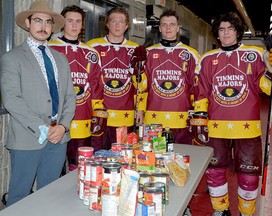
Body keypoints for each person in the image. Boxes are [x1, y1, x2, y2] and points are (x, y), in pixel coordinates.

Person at [193, 12, 272, 216]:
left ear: (238, 31)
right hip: (216, 128)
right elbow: (202, 92)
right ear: (217, 33)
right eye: (222, 29)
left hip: (247, 128)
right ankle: (221, 211)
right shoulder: (207, 58)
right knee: (214, 172)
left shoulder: (254, 54)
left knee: (249, 176)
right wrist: (199, 117)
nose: (225, 33)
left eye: (230, 29)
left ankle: (246, 212)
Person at [0, 1, 76, 206]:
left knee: (50, 193)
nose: (43, 26)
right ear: (28, 23)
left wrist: (63, 126)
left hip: (58, 138)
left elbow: (70, 97)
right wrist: (42, 128)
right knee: (19, 196)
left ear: (52, 26)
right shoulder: (12, 58)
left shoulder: (61, 60)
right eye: (38, 20)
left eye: (48, 22)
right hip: (27, 137)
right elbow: (11, 99)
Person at [49, 5, 105, 171]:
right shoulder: (50, 48)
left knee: (79, 166)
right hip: (56, 119)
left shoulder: (91, 52)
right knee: (54, 166)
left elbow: (96, 85)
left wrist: (98, 114)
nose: (74, 25)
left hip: (83, 118)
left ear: (82, 25)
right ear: (62, 23)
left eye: (78, 21)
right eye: (70, 20)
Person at [137, 9, 199, 144]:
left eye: (172, 24)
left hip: (182, 120)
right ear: (159, 28)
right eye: (164, 25)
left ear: (178, 28)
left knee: (181, 161)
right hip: (154, 120)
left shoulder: (191, 54)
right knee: (154, 160)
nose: (168, 28)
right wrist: (140, 110)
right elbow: (143, 86)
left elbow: (196, 87)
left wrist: (198, 113)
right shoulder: (148, 53)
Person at [87, 7, 143, 149]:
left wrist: (141, 108)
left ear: (127, 25)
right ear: (107, 24)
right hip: (99, 114)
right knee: (97, 158)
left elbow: (141, 82)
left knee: (122, 157)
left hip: (125, 115)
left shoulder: (136, 49)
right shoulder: (92, 46)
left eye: (121, 22)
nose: (117, 25)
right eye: (113, 21)